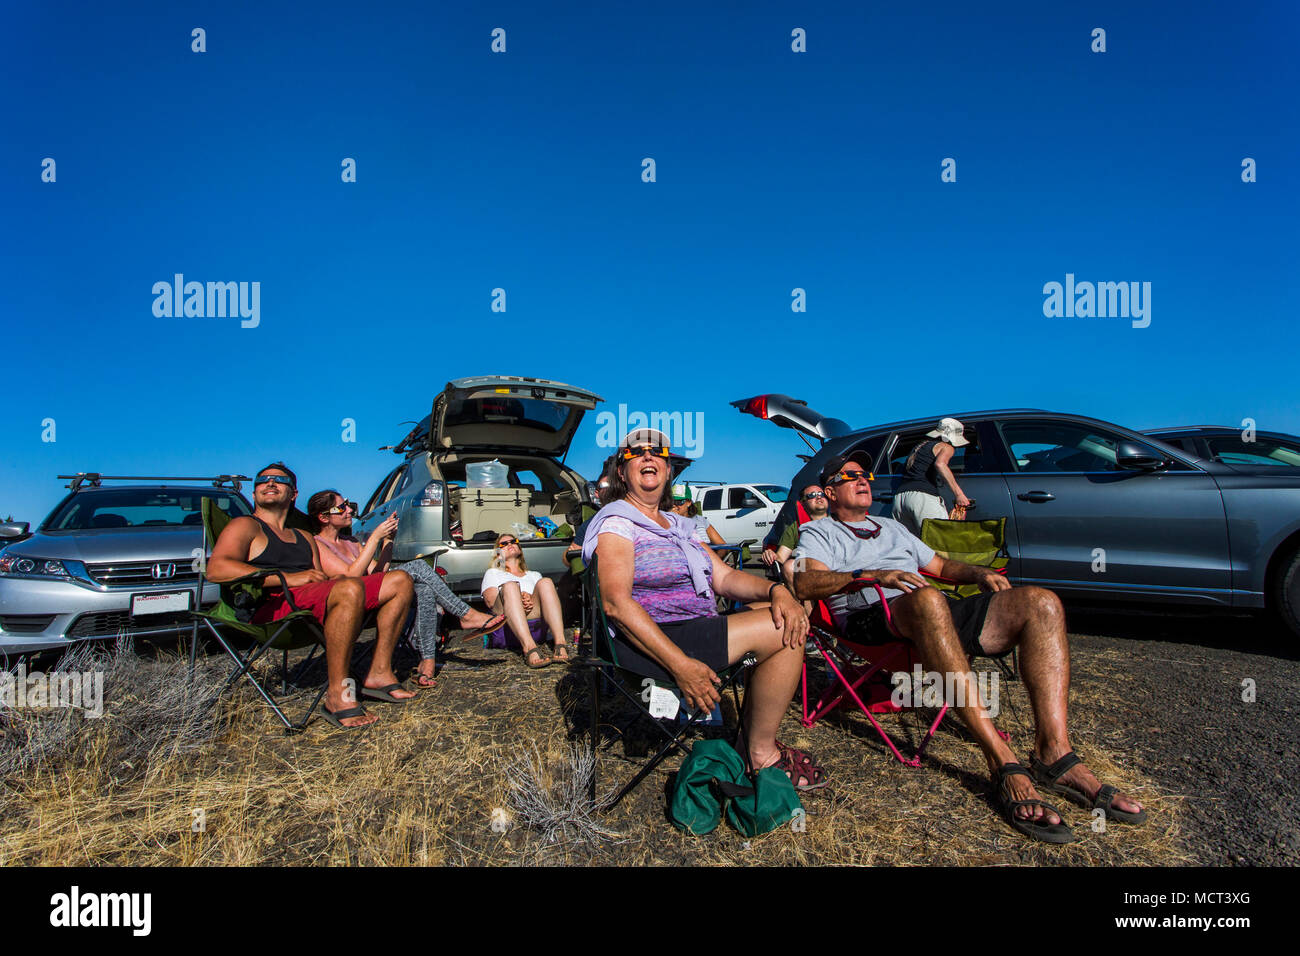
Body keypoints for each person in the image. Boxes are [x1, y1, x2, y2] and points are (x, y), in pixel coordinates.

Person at [791, 454, 1147, 841]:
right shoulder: (820, 532)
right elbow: (807, 586)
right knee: (928, 600)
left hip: (932, 611)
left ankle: (1054, 753)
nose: (863, 480)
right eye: (851, 476)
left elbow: (940, 567)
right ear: (829, 491)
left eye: (866, 474)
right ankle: (1001, 759)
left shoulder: (891, 526)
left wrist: (979, 572)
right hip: (872, 616)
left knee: (1042, 602)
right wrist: (871, 574)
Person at [583, 429, 826, 791]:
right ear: (622, 471)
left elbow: (725, 577)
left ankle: (755, 744)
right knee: (781, 628)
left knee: (782, 611)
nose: (648, 456)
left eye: (658, 452)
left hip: (693, 626)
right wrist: (681, 666)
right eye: (636, 453)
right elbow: (616, 605)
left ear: (668, 470)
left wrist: (777, 590)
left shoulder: (679, 526)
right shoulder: (618, 523)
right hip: (652, 639)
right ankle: (759, 754)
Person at [207, 462, 416, 729]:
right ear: (254, 492)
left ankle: (378, 672)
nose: (270, 483)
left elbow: (320, 579)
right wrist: (289, 578)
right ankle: (337, 695)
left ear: (293, 494)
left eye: (278, 481)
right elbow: (217, 569)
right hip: (273, 606)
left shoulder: (304, 537)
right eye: (262, 480)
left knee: (400, 580)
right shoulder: (246, 526)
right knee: (350, 586)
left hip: (310, 602)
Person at [307, 489, 503, 688]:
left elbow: (379, 574)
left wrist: (388, 540)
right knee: (418, 567)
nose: (349, 510)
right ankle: (465, 614)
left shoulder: (352, 542)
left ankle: (427, 660)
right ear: (323, 517)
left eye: (349, 505)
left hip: (374, 596)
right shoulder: (318, 545)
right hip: (349, 606)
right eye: (341, 507)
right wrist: (374, 538)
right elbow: (350, 577)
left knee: (424, 588)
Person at [482, 533, 571, 667]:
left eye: (513, 541)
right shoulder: (493, 573)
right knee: (511, 586)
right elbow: (490, 601)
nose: (510, 544)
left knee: (546, 582)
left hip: (532, 618)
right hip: (505, 621)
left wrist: (528, 598)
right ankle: (529, 648)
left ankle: (560, 642)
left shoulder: (534, 575)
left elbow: (543, 600)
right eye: (504, 544)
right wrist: (518, 600)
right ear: (498, 553)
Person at [891, 417, 973, 535]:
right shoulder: (946, 447)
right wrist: (959, 494)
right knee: (939, 541)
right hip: (923, 498)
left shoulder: (920, 447)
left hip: (900, 499)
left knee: (911, 546)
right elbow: (940, 464)